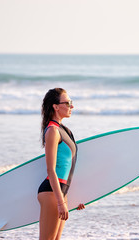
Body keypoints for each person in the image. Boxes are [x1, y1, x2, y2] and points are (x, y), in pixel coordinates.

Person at [38, 88, 85, 240]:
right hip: (52, 191)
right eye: (68, 103)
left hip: (61, 192)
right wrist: (60, 202)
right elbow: (51, 170)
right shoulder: (52, 131)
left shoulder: (65, 130)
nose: (72, 106)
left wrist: (72, 198)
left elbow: (69, 168)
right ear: (55, 106)